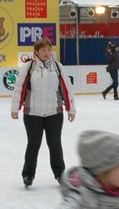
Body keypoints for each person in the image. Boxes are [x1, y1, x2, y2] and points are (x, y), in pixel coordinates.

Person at [10, 39, 75, 187]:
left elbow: (66, 88)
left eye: (48, 49)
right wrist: (15, 108)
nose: (46, 52)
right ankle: (28, 175)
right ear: (36, 52)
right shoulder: (28, 67)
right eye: (43, 50)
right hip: (33, 113)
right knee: (33, 144)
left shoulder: (58, 67)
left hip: (54, 113)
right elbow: (19, 89)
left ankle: (60, 174)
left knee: (55, 144)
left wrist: (71, 109)